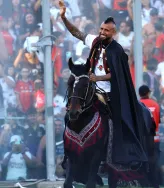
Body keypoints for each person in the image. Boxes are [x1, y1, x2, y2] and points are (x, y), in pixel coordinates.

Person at [59, 0, 149, 167]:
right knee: (72, 107)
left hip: (109, 93)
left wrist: (98, 79)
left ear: (113, 33)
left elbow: (118, 75)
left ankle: (120, 155)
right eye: (101, 29)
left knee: (118, 120)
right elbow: (76, 33)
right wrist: (64, 18)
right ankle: (68, 153)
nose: (102, 32)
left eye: (106, 30)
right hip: (91, 90)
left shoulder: (117, 50)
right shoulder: (94, 41)